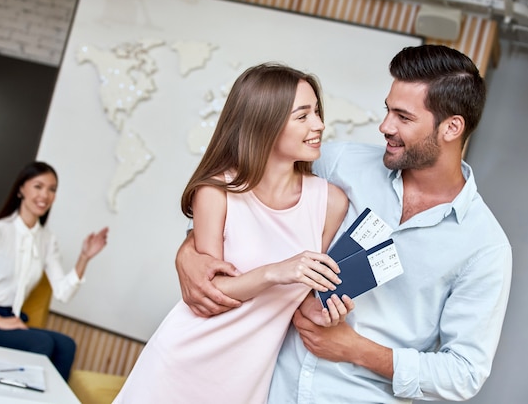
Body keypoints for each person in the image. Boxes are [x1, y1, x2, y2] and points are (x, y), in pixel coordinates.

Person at [175, 45, 513, 403]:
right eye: (388, 110)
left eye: (403, 117)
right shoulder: (338, 164)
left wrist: (355, 349)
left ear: (451, 128)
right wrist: (188, 253)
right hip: (265, 387)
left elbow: (464, 373)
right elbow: (241, 208)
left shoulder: (485, 247)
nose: (385, 126)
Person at [113, 63, 353, 404]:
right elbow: (209, 295)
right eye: (303, 116)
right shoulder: (216, 191)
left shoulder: (330, 202)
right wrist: (275, 272)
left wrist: (318, 311)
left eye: (316, 112)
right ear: (264, 122)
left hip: (245, 381)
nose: (318, 125)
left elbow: (301, 298)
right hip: (179, 365)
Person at [0, 161, 108, 381]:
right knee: (41, 343)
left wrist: (84, 258)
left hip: (12, 321)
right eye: (38, 186)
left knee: (66, 345)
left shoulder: (47, 240)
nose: (45, 195)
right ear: (22, 189)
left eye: (52, 189)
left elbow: (63, 292)